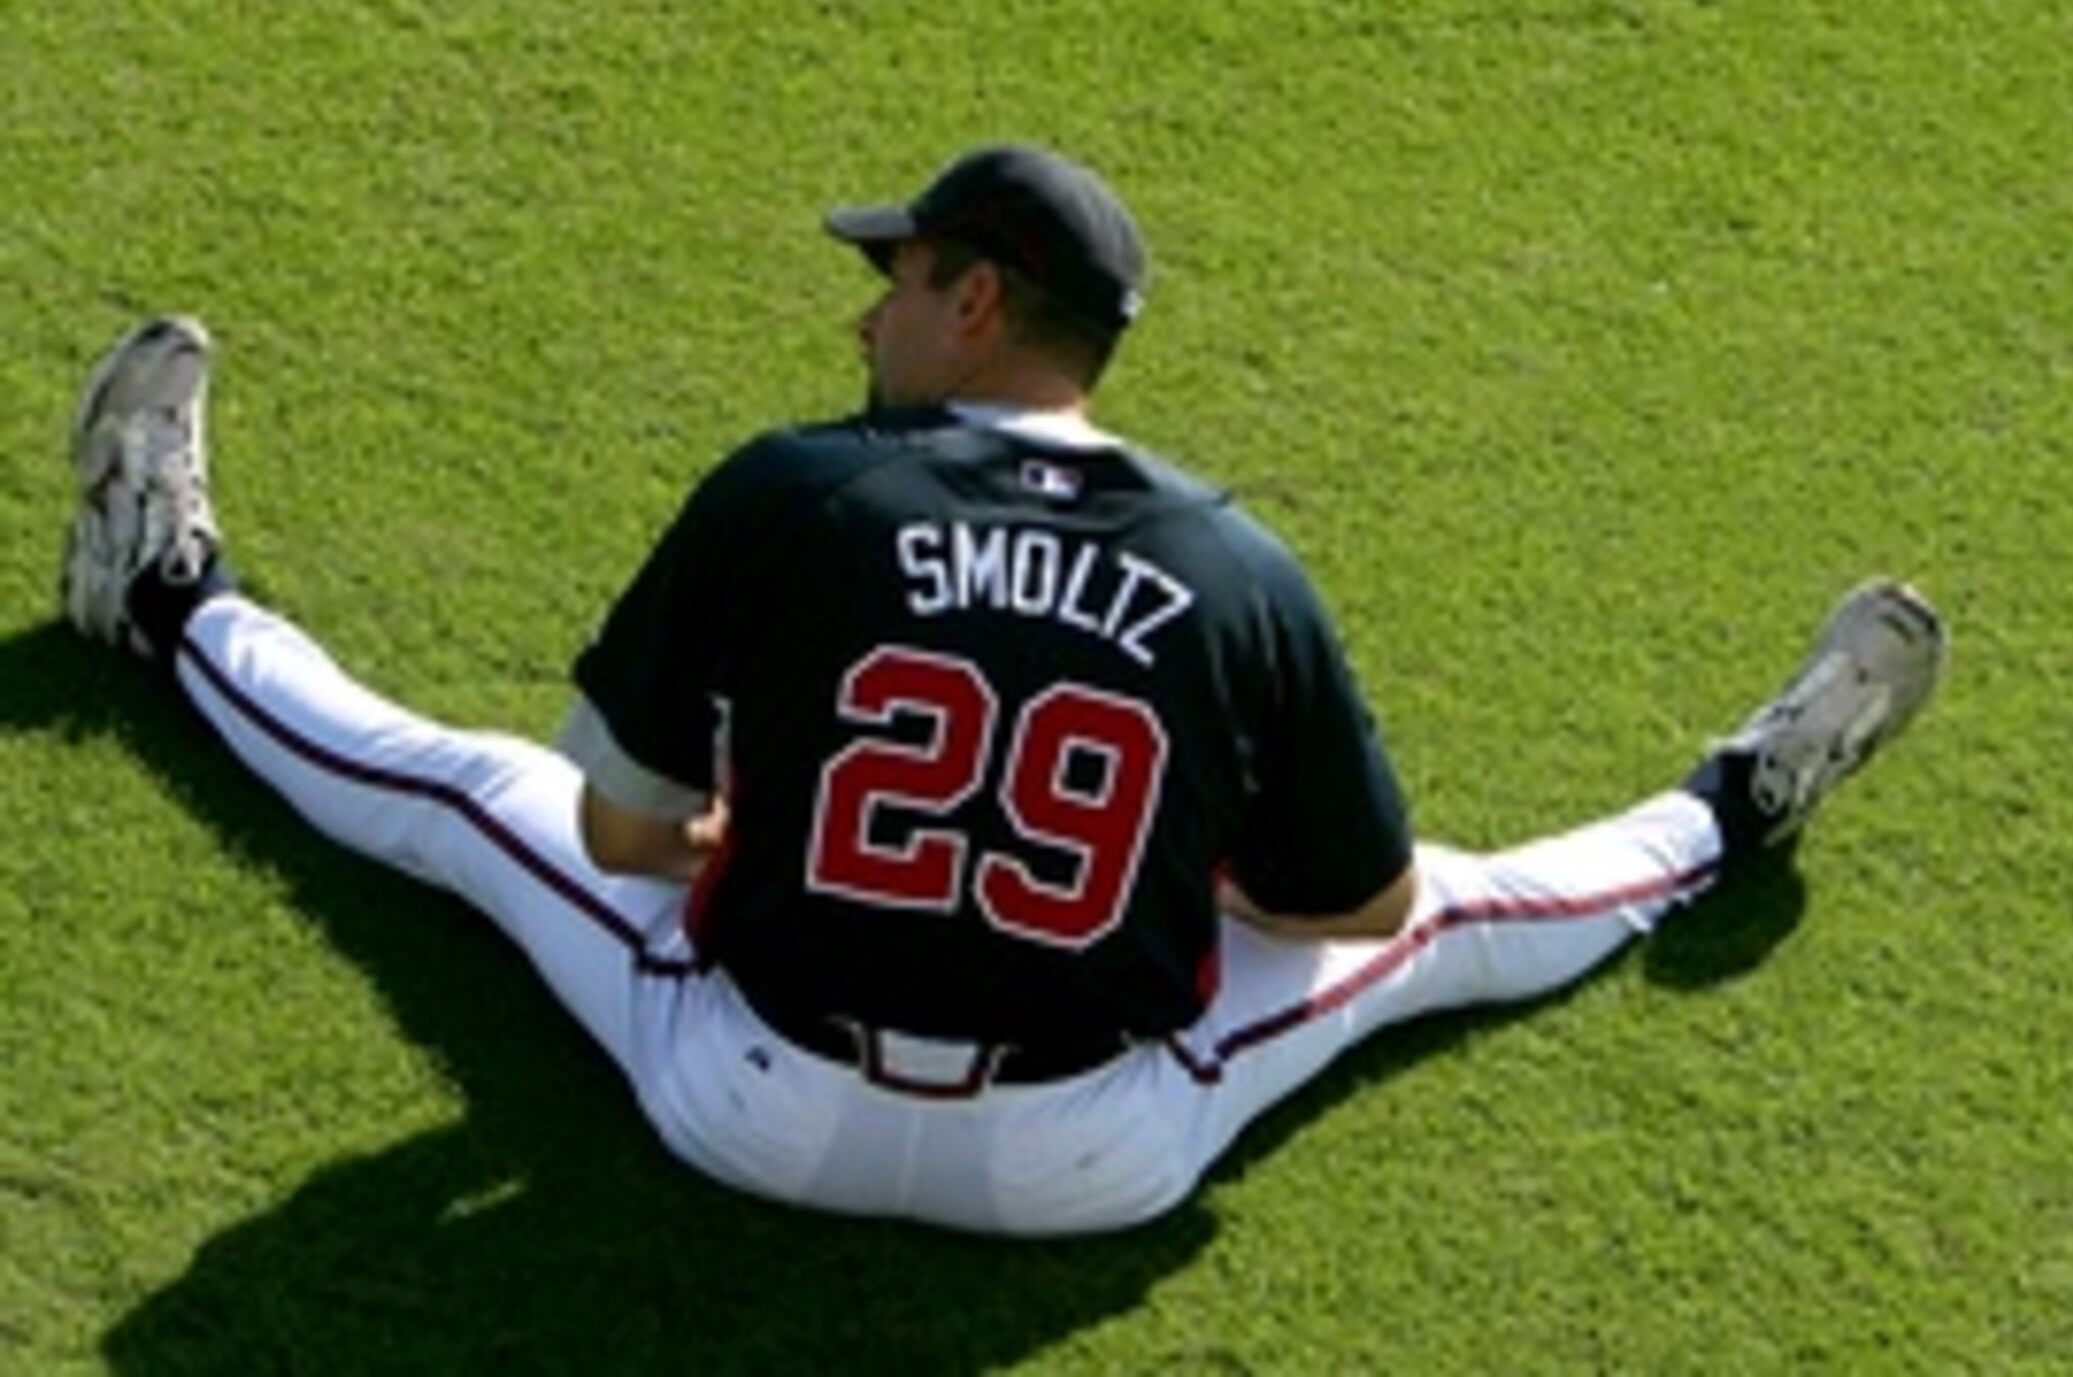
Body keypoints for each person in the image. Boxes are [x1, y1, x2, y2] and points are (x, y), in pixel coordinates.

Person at [57, 142, 1950, 1234]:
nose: (862, 306)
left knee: (481, 800)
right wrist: (1192, 874)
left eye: (898, 273)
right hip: (1092, 1151)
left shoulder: (798, 486)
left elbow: (629, 830)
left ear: (976, 303)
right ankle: (1727, 807)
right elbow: (1356, 903)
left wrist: (741, 828)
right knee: (1452, 914)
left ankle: (161, 596)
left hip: (745, 1096)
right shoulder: (1234, 562)